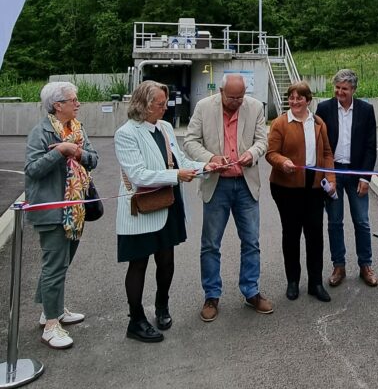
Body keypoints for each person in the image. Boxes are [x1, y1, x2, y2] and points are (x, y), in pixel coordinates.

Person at [115, 81, 214, 343]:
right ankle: (136, 320)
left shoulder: (165, 127)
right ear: (143, 106)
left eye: (164, 103)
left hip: (168, 203)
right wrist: (176, 175)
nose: (165, 108)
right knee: (138, 264)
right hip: (142, 207)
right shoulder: (126, 133)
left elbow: (180, 161)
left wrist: (206, 166)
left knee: (166, 260)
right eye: (160, 104)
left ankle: (162, 306)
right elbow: (138, 175)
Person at [184, 73, 272, 322]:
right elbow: (190, 141)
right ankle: (211, 296)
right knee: (211, 244)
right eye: (232, 97)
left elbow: (262, 141)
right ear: (221, 92)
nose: (237, 102)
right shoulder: (203, 107)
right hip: (217, 185)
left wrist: (251, 154)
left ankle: (251, 291)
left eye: (240, 97)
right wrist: (210, 158)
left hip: (246, 184)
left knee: (251, 241)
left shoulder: (254, 107)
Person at [25, 82, 98, 349]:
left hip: (75, 209)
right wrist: (60, 152)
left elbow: (94, 158)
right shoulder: (41, 132)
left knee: (61, 264)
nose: (78, 104)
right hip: (52, 210)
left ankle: (50, 310)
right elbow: (32, 169)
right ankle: (51, 326)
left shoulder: (77, 129)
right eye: (73, 100)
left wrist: (77, 151)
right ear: (58, 105)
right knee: (54, 266)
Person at [266, 81, 336, 302]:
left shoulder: (318, 123)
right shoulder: (280, 123)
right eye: (291, 98)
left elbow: (327, 153)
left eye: (299, 98)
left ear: (308, 100)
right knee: (291, 234)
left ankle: (316, 283)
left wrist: (330, 178)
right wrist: (282, 161)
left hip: (314, 187)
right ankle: (293, 281)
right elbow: (271, 153)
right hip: (286, 187)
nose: (295, 102)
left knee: (315, 235)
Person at [315, 69, 378, 288]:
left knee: (362, 221)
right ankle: (338, 266)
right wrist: (326, 175)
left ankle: (365, 265)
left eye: (344, 88)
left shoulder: (366, 110)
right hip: (333, 173)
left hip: (356, 173)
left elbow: (370, 147)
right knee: (334, 221)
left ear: (353, 89)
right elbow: (319, 145)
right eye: (337, 87)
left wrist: (366, 178)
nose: (340, 92)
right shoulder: (324, 109)